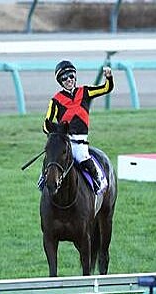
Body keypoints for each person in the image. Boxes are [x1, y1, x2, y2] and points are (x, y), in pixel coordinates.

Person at [38, 60, 114, 195]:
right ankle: (43, 181)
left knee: (84, 160)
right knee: (51, 160)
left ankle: (98, 182)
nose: (68, 80)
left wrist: (109, 77)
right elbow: (46, 124)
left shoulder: (85, 92)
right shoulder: (56, 100)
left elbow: (106, 88)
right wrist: (55, 130)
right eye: (64, 78)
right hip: (64, 141)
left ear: (75, 77)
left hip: (80, 143)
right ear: (60, 81)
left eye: (71, 76)